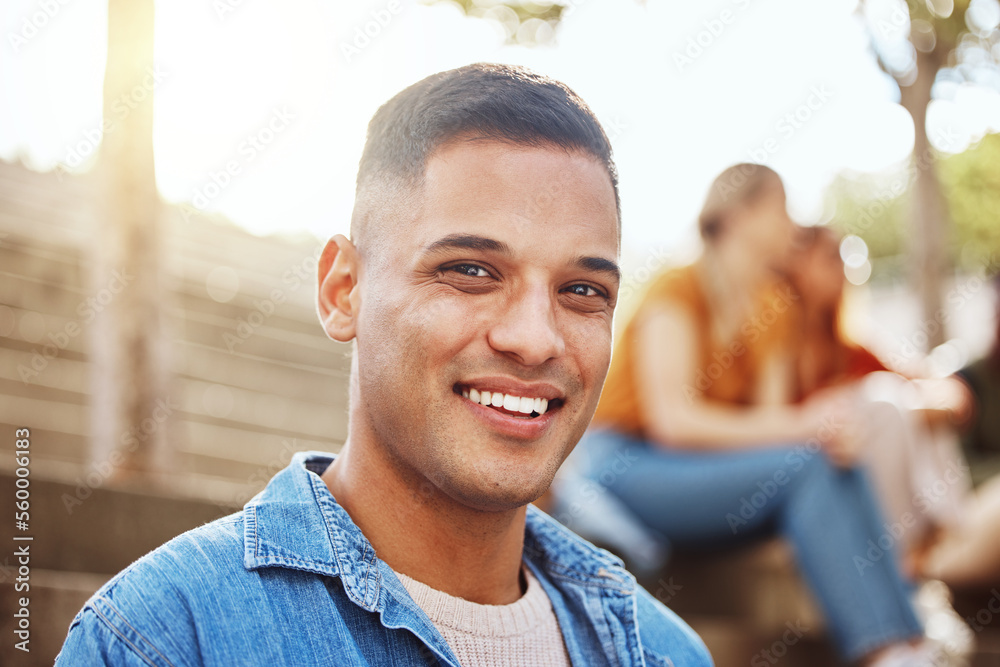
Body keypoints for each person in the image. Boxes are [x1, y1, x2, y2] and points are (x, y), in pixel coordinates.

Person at [55, 64, 711, 666]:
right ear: (344, 291)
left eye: (582, 291)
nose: (535, 339)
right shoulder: (163, 637)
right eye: (471, 271)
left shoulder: (665, 652)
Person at [559, 164, 937, 666]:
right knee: (809, 456)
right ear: (740, 215)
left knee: (824, 459)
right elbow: (676, 422)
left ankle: (907, 642)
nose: (791, 224)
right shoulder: (679, 289)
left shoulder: (774, 309)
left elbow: (774, 432)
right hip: (624, 465)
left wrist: (819, 435)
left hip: (703, 476)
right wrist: (807, 427)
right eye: (780, 208)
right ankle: (889, 648)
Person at [786, 225, 973, 567]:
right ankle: (915, 548)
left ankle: (933, 540)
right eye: (830, 256)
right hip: (819, 473)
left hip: (870, 469)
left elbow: (948, 390)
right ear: (796, 263)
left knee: (895, 399)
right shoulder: (775, 356)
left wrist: (922, 406)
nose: (843, 266)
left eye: (844, 256)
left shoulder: (853, 348)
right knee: (886, 400)